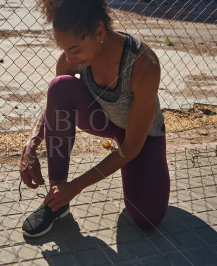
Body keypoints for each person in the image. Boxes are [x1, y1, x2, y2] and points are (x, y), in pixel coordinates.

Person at [19, 0, 170, 237]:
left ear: (99, 32)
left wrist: (76, 187)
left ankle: (139, 171)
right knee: (60, 86)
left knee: (147, 219)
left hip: (141, 136)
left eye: (74, 50)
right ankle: (56, 203)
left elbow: (131, 147)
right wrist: (31, 144)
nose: (69, 59)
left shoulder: (144, 65)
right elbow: (55, 102)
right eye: (64, 49)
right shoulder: (73, 57)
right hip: (103, 120)